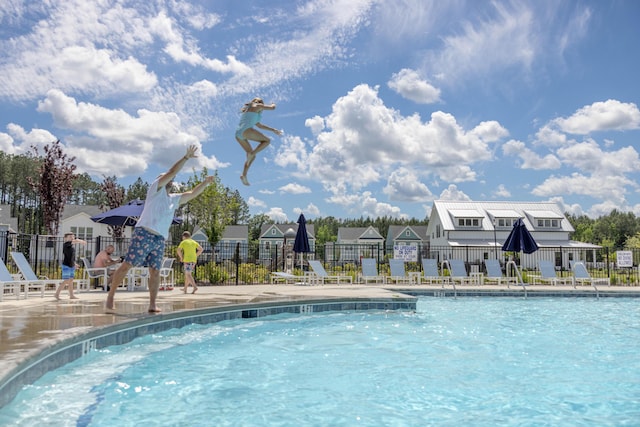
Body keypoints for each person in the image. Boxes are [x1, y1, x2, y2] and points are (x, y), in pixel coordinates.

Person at [106, 144, 215, 313]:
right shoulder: (155, 190)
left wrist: (205, 183)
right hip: (144, 233)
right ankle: (111, 297)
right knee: (127, 265)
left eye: (170, 179)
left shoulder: (174, 199)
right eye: (165, 178)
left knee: (155, 271)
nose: (169, 179)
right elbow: (171, 172)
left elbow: (192, 193)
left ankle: (152, 304)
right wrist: (186, 158)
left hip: (159, 239)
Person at [235, 97, 282, 186]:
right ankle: (252, 154)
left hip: (238, 134)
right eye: (259, 102)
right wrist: (273, 104)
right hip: (246, 130)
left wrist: (273, 129)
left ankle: (244, 175)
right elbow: (272, 108)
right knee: (267, 141)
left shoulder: (252, 112)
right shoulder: (256, 105)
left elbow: (260, 126)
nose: (260, 103)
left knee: (251, 156)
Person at [55, 232, 86, 300]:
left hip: (71, 265)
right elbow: (74, 241)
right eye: (70, 237)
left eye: (73, 237)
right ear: (65, 238)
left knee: (71, 280)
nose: (72, 238)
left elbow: (70, 257)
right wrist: (81, 241)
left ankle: (71, 295)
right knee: (66, 280)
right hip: (66, 265)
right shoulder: (66, 244)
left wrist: (74, 264)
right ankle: (57, 294)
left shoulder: (71, 247)